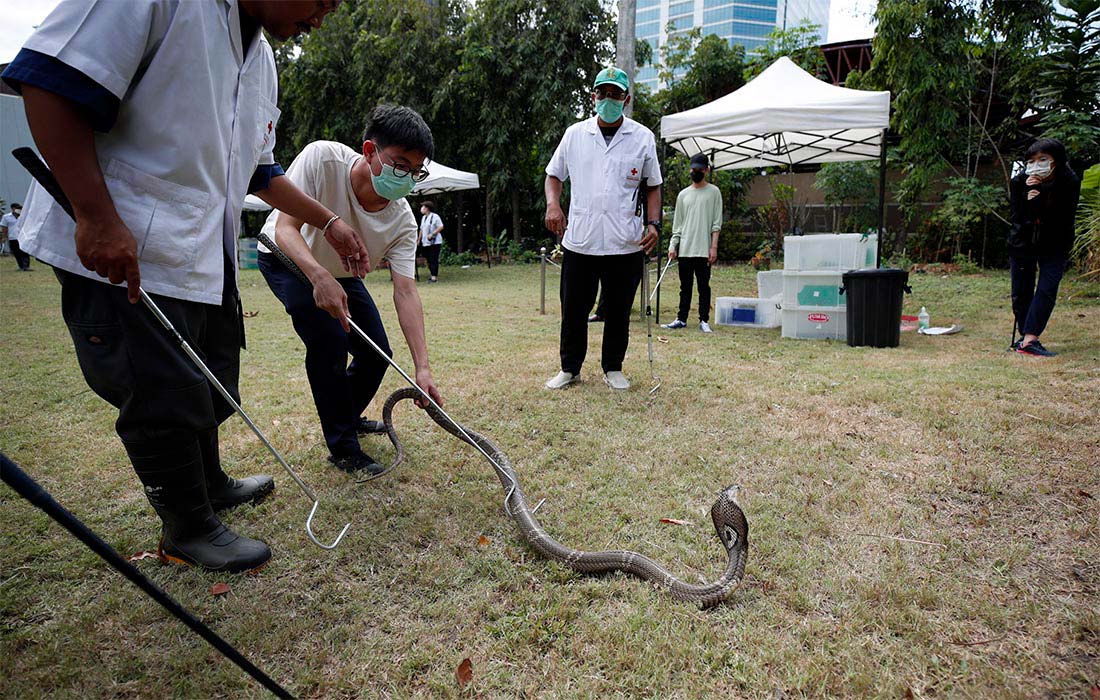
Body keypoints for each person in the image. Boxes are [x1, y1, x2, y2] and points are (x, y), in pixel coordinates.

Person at [1, 0, 364, 574]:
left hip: (201, 251)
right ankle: (187, 526)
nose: (322, 17)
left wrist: (330, 221)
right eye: (321, 1)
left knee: (212, 373)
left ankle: (211, 482)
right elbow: (50, 86)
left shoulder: (263, 57)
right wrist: (95, 215)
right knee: (158, 388)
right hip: (126, 243)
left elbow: (258, 172)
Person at [258, 106, 443, 474]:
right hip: (287, 257)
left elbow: (405, 292)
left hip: (340, 273)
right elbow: (285, 229)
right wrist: (316, 276)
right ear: (370, 151)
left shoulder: (404, 222)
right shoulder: (323, 159)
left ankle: (346, 415)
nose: (406, 177)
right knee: (329, 339)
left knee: (377, 353)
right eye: (399, 164)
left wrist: (423, 369)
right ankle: (343, 447)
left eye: (416, 170)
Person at [543, 67, 662, 391]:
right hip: (581, 239)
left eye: (615, 94)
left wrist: (653, 224)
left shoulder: (642, 137)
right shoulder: (575, 134)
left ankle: (613, 367)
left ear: (626, 98)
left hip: (625, 241)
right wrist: (554, 205)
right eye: (603, 93)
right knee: (573, 309)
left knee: (619, 309)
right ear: (593, 96)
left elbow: (653, 186)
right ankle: (570, 368)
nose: (609, 99)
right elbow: (554, 175)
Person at [1008, 138, 1081, 357]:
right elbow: (1017, 216)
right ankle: (1025, 336)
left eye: (1043, 159)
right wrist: (1027, 198)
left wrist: (1040, 202)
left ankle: (1031, 338)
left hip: (1056, 241)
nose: (1037, 164)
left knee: (1047, 288)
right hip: (1023, 241)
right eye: (1032, 160)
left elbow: (1063, 217)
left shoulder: (1069, 180)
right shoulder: (1020, 181)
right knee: (1021, 289)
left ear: (1056, 161)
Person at [663, 153, 722, 333]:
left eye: (699, 169)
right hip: (686, 249)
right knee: (685, 287)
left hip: (703, 249)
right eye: (693, 169)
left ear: (706, 170)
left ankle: (704, 319)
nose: (695, 172)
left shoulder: (714, 192)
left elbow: (716, 223)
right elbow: (678, 225)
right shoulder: (683, 195)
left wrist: (713, 247)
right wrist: (673, 245)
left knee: (704, 286)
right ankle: (681, 319)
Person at [419, 200, 443, 282]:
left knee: (433, 259)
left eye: (423, 207)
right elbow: (421, 229)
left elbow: (441, 226)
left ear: (427, 208)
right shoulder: (423, 218)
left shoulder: (435, 216)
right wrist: (418, 239)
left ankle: (434, 277)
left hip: (435, 242)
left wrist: (432, 234)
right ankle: (432, 274)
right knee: (428, 259)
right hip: (425, 242)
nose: (422, 208)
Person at [2, 203, 31, 269]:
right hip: (13, 238)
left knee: (24, 252)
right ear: (13, 209)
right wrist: (4, 237)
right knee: (16, 253)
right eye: (17, 208)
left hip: (23, 237)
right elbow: (4, 227)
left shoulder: (24, 216)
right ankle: (21, 266)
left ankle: (26, 266)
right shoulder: (6, 217)